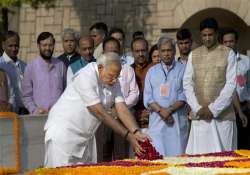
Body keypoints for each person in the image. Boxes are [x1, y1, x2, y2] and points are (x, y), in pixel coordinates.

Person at [44, 52, 149, 168]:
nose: (115, 80)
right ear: (100, 67)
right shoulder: (86, 76)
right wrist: (128, 136)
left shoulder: (113, 79)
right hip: (64, 135)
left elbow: (121, 108)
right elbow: (100, 113)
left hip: (86, 138)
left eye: (117, 76)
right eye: (111, 76)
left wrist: (136, 132)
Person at [183, 18, 237, 154]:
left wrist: (213, 109)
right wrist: (197, 108)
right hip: (200, 117)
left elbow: (231, 85)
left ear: (217, 34)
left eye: (210, 35)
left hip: (222, 118)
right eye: (204, 35)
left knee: (225, 161)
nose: (207, 38)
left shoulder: (228, 53)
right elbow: (187, 84)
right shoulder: (193, 55)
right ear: (200, 35)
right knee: (200, 162)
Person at [96, 37, 139, 162]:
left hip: (121, 119)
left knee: (122, 158)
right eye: (109, 52)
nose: (114, 79)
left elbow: (130, 97)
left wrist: (135, 131)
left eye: (115, 51)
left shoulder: (126, 70)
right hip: (100, 119)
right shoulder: (91, 74)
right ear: (103, 53)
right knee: (102, 157)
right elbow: (97, 108)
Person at [144, 36, 189, 156]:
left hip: (177, 121)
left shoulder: (183, 69)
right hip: (157, 122)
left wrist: (168, 111)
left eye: (169, 50)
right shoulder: (151, 71)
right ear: (159, 52)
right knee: (159, 157)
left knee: (178, 159)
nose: (166, 54)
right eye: (163, 51)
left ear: (174, 51)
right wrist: (161, 111)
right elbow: (148, 98)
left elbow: (184, 95)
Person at [22, 32, 66, 114]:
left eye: (50, 45)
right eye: (44, 45)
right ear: (38, 46)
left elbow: (65, 92)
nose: (47, 48)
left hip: (58, 115)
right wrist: (35, 110)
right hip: (38, 117)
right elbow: (26, 96)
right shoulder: (31, 67)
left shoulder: (61, 65)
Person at [222, 28, 250, 149]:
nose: (228, 44)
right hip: (227, 111)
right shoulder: (220, 62)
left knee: (245, 145)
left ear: (236, 42)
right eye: (226, 42)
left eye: (231, 41)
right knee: (229, 145)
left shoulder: (246, 61)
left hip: (245, 108)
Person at [0, 30, 27, 114]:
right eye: (10, 46)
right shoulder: (1, 65)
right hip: (7, 112)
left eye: (16, 46)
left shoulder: (24, 66)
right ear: (3, 45)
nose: (14, 49)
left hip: (25, 111)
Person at [131, 37, 153, 130]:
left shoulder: (155, 69)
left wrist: (150, 111)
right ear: (132, 52)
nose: (140, 54)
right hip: (133, 121)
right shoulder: (128, 71)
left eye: (143, 50)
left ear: (147, 50)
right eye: (137, 51)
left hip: (152, 119)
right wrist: (135, 113)